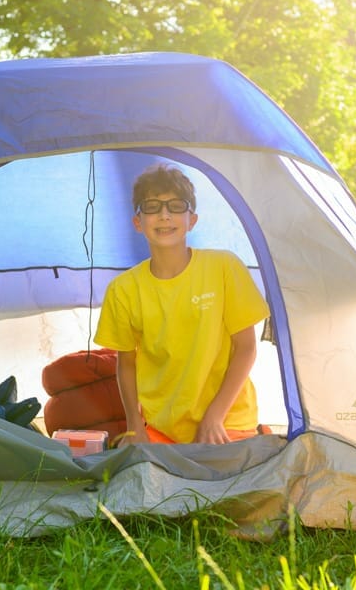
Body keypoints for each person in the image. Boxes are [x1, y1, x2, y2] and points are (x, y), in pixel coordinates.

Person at [93, 164, 270, 445]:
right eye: (152, 207)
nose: (164, 215)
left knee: (226, 484)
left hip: (227, 421)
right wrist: (134, 426)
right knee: (140, 483)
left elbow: (246, 348)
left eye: (176, 206)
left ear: (192, 220)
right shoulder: (123, 289)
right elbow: (125, 363)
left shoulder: (224, 267)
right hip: (162, 429)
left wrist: (214, 418)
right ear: (138, 222)